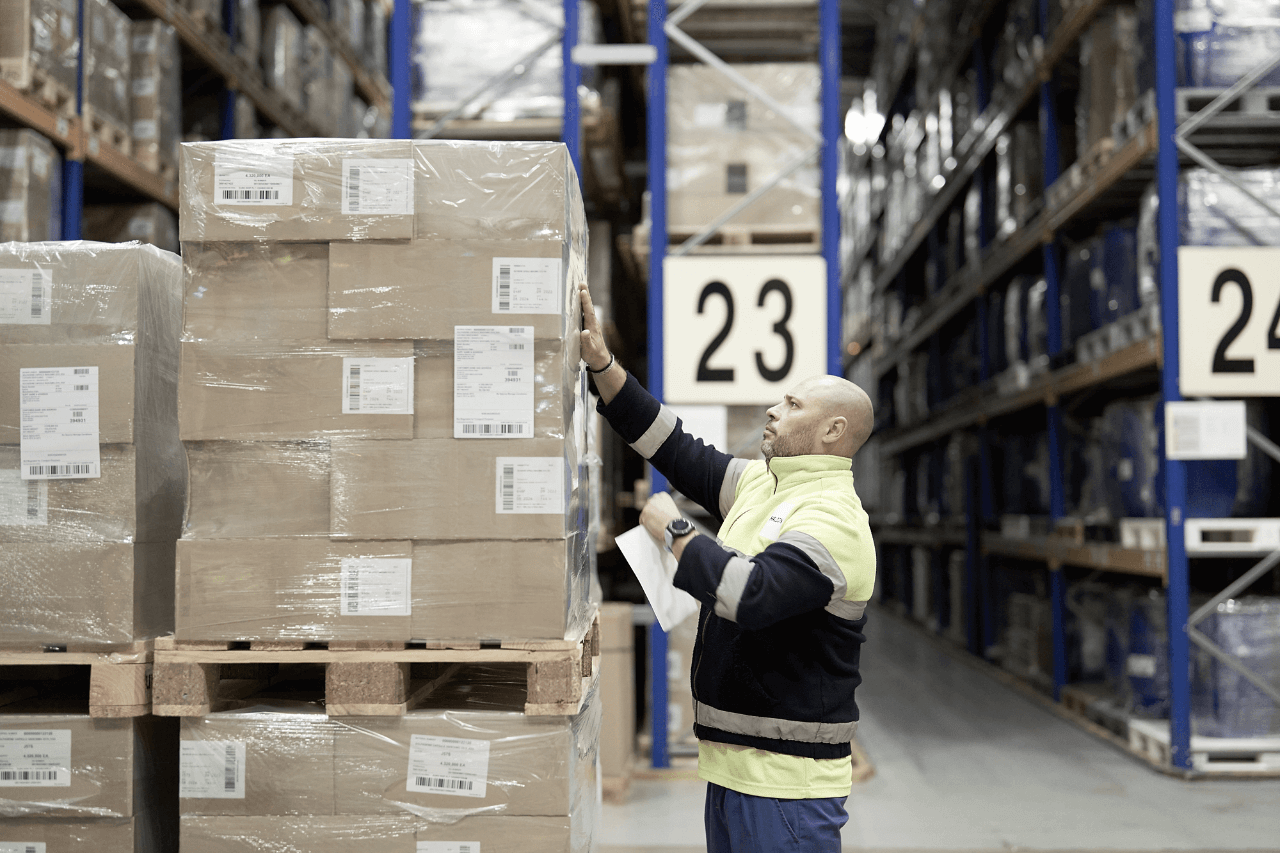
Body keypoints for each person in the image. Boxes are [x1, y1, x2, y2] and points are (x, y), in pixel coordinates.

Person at [579, 281, 876, 853]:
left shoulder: (834, 520)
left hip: (788, 786)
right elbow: (672, 446)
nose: (773, 408)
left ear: (832, 430)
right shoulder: (762, 484)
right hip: (734, 770)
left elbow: (751, 594)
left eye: (792, 405)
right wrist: (603, 365)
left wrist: (675, 530)